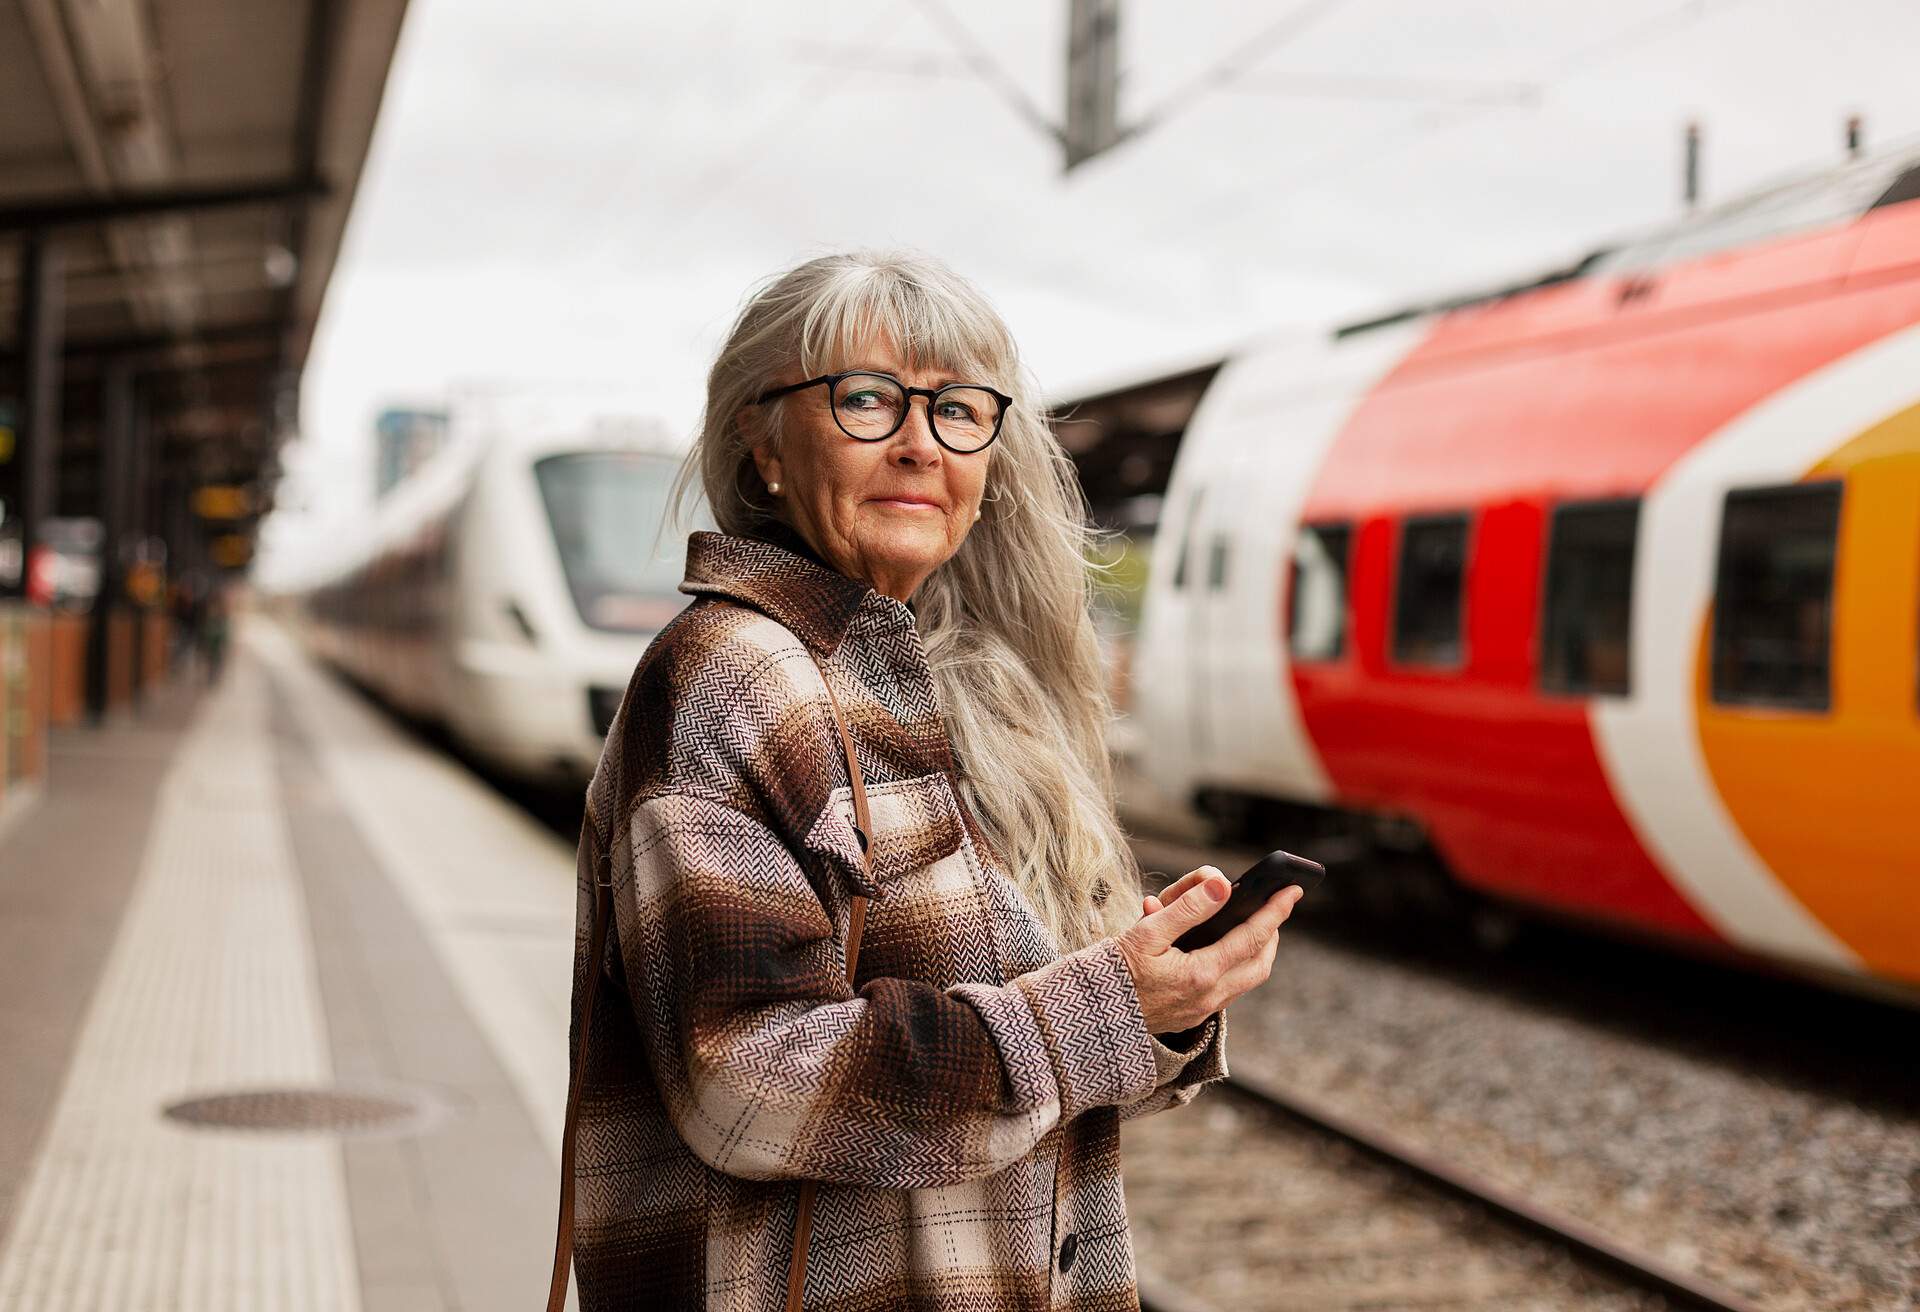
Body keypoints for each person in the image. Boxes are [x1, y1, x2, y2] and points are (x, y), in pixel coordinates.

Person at [561, 250, 1300, 1310]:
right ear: (761, 445)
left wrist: (1155, 1002)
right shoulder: (733, 674)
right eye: (866, 399)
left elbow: (1034, 1075)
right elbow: (746, 1080)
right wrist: (1094, 1008)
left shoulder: (951, 692)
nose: (919, 442)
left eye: (958, 409)